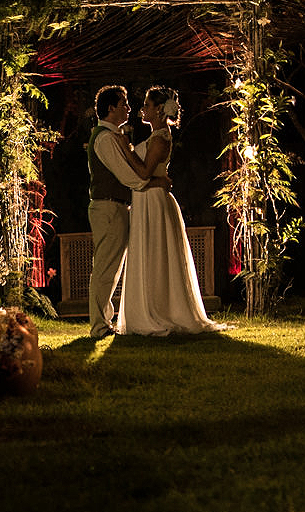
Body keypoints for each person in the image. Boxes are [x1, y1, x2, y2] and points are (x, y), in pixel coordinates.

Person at [113, 86, 230, 336]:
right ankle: (148, 308)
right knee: (149, 254)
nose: (142, 108)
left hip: (154, 202)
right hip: (146, 199)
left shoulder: (160, 138)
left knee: (155, 254)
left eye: (147, 104)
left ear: (158, 110)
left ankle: (160, 311)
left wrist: (125, 147)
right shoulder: (156, 135)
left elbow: (144, 172)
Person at [86, 85, 170, 339]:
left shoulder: (113, 136)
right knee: (105, 268)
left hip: (117, 206)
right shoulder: (104, 138)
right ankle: (99, 326)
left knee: (112, 269)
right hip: (108, 206)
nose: (129, 108)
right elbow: (127, 176)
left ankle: (104, 322)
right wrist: (155, 183)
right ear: (111, 108)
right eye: (123, 104)